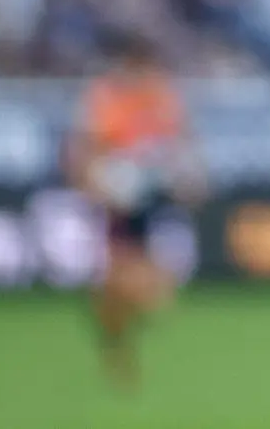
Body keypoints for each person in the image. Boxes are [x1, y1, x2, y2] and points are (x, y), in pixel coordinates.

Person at [67, 38, 194, 390]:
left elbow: (180, 141)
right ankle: (116, 337)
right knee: (119, 282)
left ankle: (124, 321)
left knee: (150, 290)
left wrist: (190, 176)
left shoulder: (162, 95)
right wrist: (91, 183)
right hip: (117, 200)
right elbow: (86, 147)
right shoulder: (105, 97)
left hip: (155, 198)